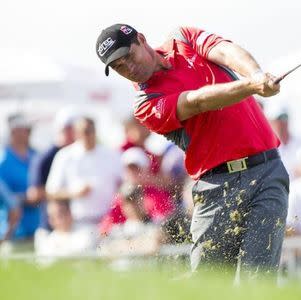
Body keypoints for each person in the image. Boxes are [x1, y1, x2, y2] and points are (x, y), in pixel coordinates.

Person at [95, 24, 288, 274]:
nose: (128, 69)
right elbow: (199, 101)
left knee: (257, 279)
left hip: (267, 171)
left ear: (141, 39)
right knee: (210, 282)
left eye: (129, 57)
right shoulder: (146, 103)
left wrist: (257, 73)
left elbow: (225, 51)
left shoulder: (182, 38)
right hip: (217, 187)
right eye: (120, 67)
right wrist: (251, 86)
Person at [45, 117, 122, 228]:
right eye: (84, 131)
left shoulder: (111, 154)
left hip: (109, 221)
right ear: (76, 133)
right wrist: (74, 193)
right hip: (79, 222)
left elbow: (123, 184)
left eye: (90, 131)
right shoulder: (65, 156)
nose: (87, 135)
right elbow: (51, 191)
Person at [99, 147, 175, 234]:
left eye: (136, 169)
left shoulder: (157, 195)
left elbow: (165, 223)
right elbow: (104, 228)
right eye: (129, 169)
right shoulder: (121, 197)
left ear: (145, 169)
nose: (133, 173)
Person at [27, 110, 76, 230]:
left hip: (75, 221)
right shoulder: (45, 158)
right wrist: (69, 192)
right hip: (53, 223)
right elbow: (34, 194)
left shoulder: (77, 153)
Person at [0, 113, 37, 239]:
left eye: (26, 130)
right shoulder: (3, 160)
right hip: (11, 229)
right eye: (20, 130)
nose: (24, 134)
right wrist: (21, 199)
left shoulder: (36, 156)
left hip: (37, 227)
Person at [98, 184, 162, 257]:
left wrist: (122, 245)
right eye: (128, 202)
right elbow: (104, 250)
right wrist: (138, 244)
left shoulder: (155, 226)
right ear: (122, 206)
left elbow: (152, 247)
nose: (132, 206)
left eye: (135, 200)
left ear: (143, 201)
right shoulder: (117, 229)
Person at [265, 102, 301, 179]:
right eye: (279, 119)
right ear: (272, 122)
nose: (283, 122)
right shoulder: (267, 150)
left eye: (285, 117)